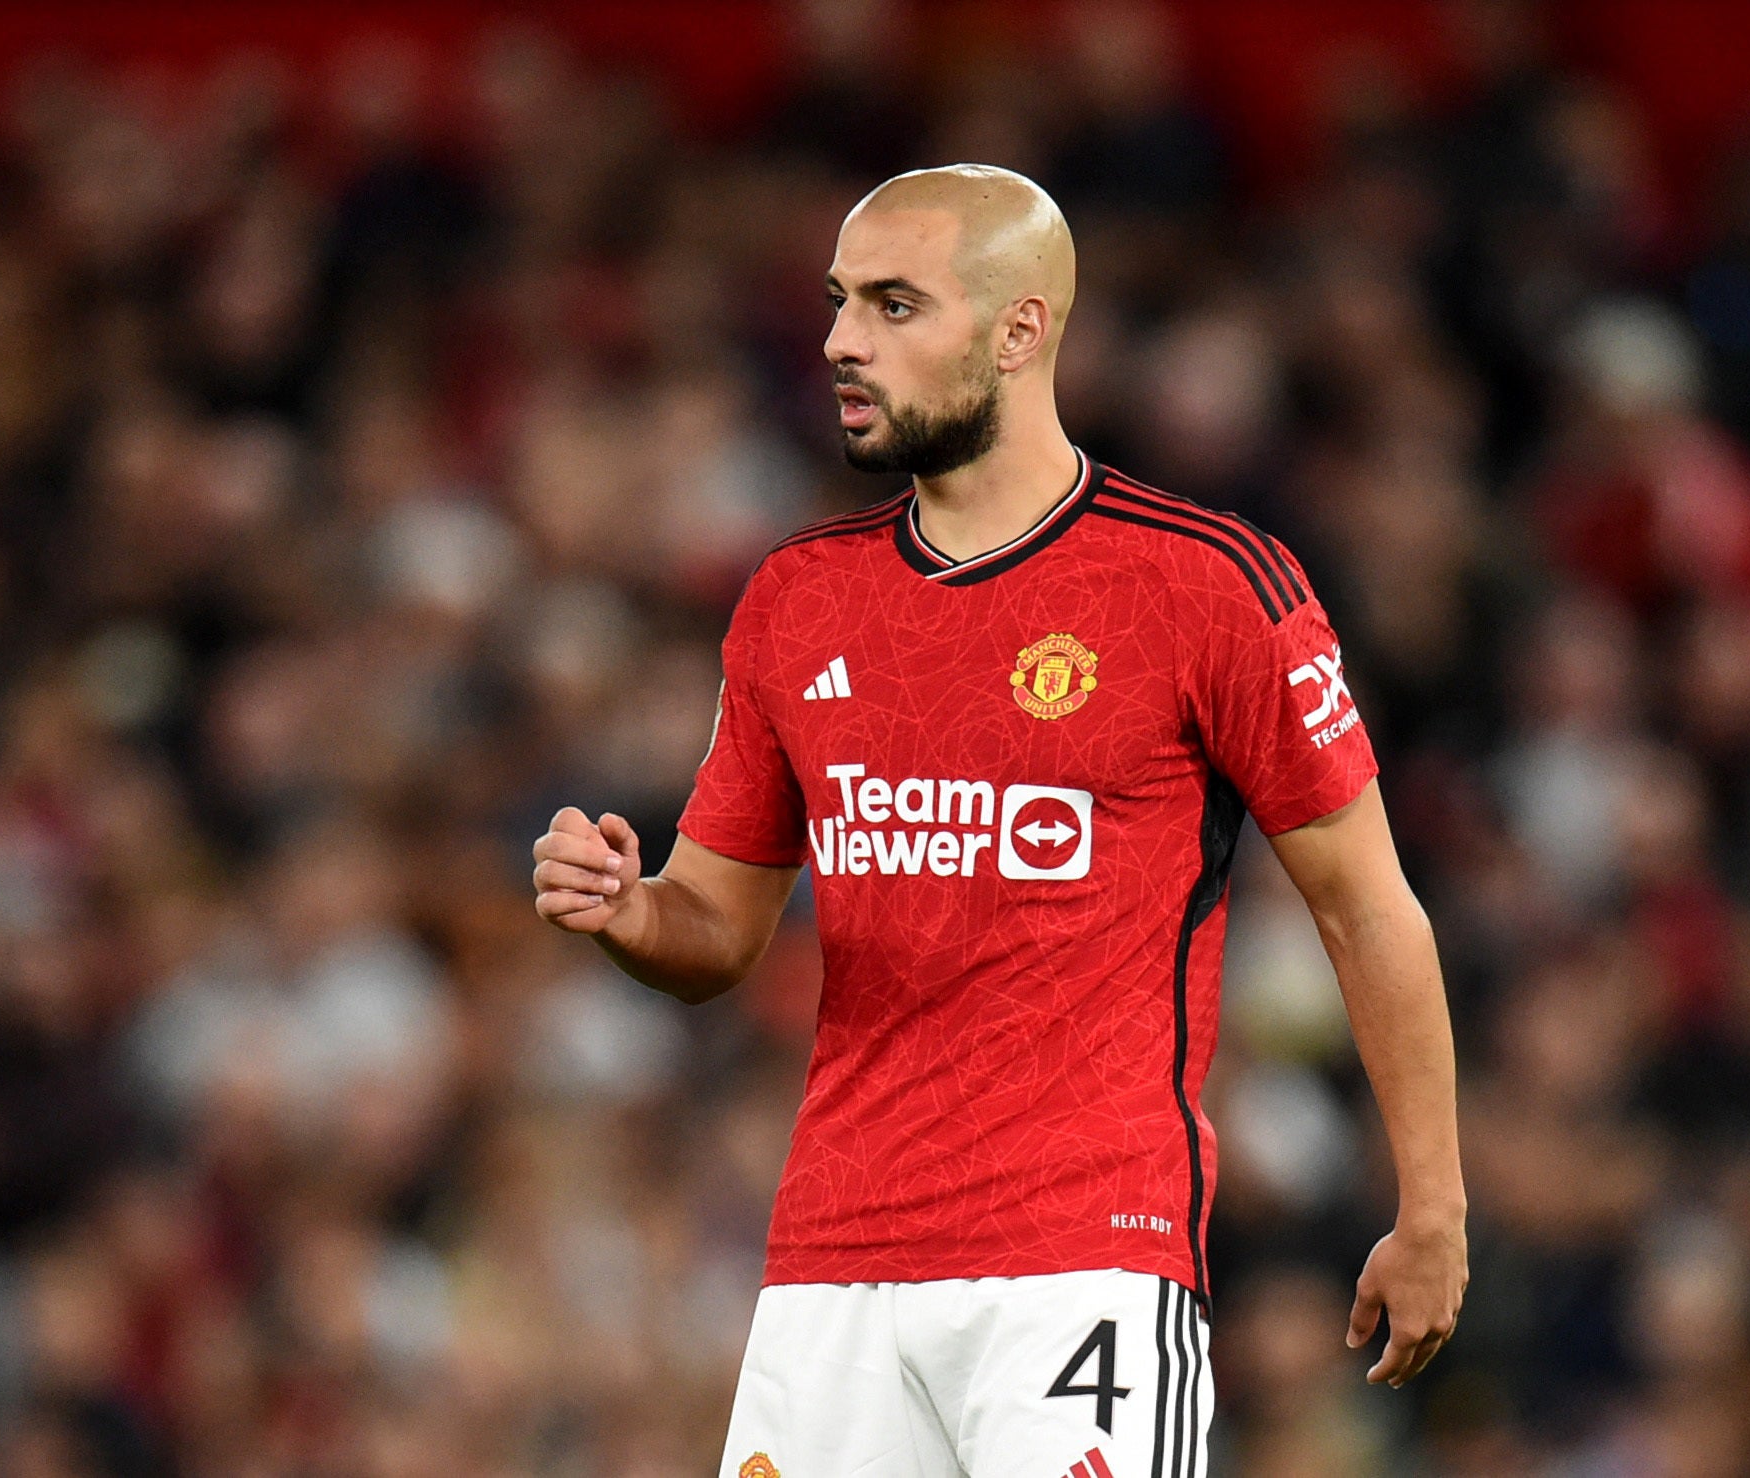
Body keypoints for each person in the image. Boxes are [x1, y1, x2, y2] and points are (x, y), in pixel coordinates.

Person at [531, 164, 1467, 1477]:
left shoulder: (1206, 586)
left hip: (1081, 1262)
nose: (841, 341)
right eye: (839, 302)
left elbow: (1365, 900)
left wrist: (1432, 1206)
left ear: (1019, 331)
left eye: (894, 305)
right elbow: (716, 927)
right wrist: (632, 910)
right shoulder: (798, 601)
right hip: (832, 1268)